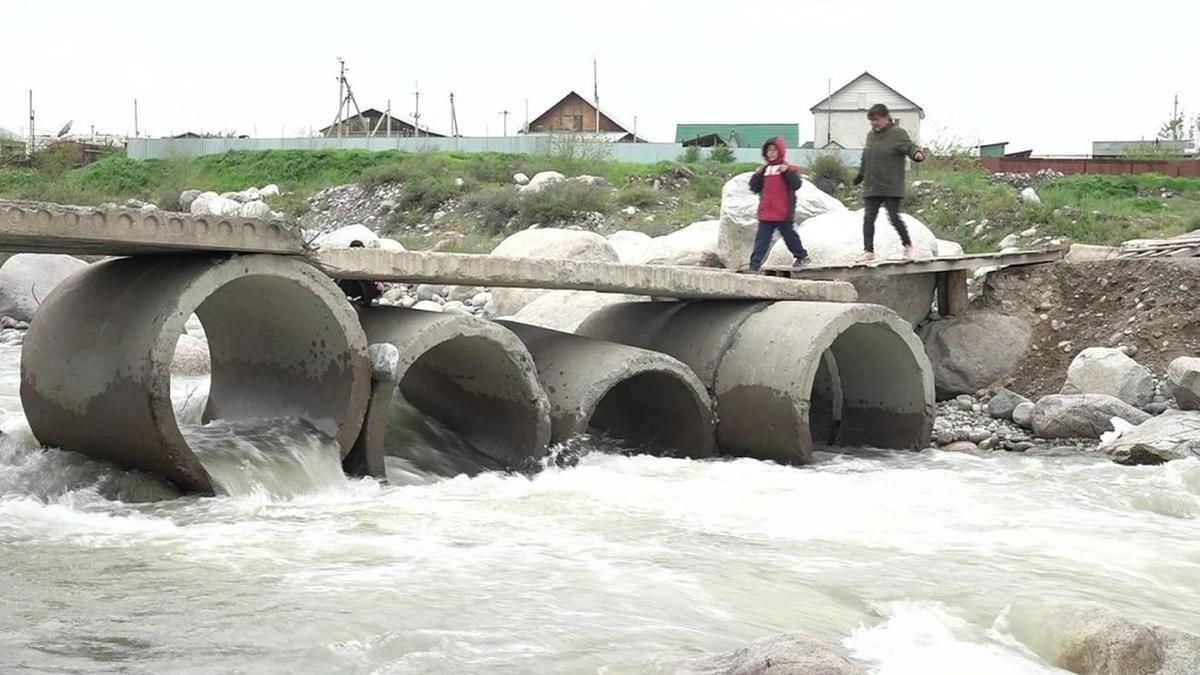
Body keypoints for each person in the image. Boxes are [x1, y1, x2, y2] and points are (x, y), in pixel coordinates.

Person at [852, 103, 926, 262]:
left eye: (876, 120)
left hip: (891, 185)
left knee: (893, 217)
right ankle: (868, 251)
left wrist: (917, 154)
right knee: (868, 218)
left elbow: (910, 147)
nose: (874, 123)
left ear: (886, 118)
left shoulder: (897, 133)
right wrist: (860, 176)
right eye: (871, 121)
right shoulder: (871, 136)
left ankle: (907, 245)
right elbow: (866, 157)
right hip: (872, 185)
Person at [747, 136, 810, 272]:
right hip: (766, 212)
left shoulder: (788, 169)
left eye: (775, 150)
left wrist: (786, 172)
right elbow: (754, 188)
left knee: (789, 236)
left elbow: (796, 184)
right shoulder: (764, 171)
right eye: (769, 151)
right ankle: (754, 265)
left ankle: (801, 256)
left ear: (780, 151)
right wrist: (757, 175)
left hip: (783, 211)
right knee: (761, 240)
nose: (772, 153)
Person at [335, 240, 384, 307]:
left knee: (364, 278)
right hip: (349, 285)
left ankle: (366, 302)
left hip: (364, 286)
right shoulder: (346, 260)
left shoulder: (367, 260)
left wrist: (379, 281)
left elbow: (374, 272)